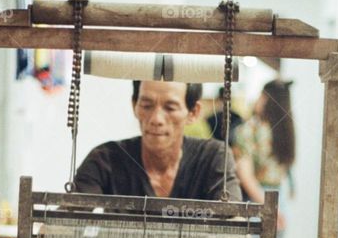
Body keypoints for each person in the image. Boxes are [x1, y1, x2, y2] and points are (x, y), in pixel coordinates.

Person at [73, 80, 242, 200]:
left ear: (193, 112)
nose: (156, 119)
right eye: (147, 106)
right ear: (134, 106)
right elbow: (69, 220)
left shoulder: (213, 158)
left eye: (170, 108)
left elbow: (235, 224)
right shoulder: (106, 159)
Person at [232, 80, 296, 229]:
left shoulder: (249, 129)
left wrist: (270, 208)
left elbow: (245, 176)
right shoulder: (286, 130)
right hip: (278, 197)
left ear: (266, 99)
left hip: (257, 199)